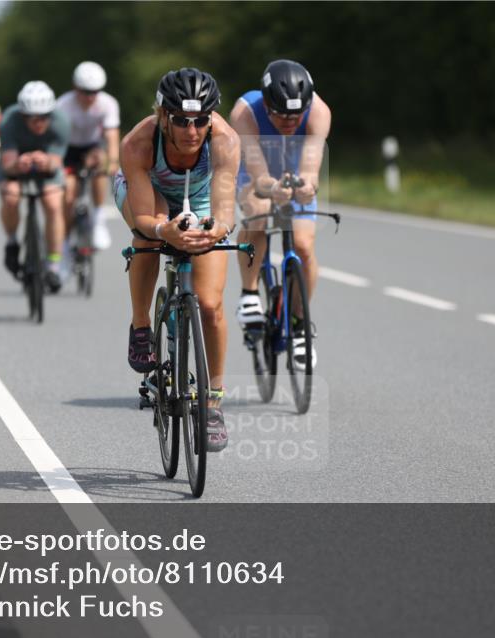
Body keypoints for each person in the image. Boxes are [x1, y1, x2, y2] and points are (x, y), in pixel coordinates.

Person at [113, 68, 241, 450]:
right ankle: (141, 325)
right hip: (146, 192)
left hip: (199, 197)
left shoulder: (225, 140)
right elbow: (144, 218)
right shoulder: (138, 142)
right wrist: (161, 229)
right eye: (182, 120)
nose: (192, 130)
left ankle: (212, 402)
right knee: (147, 238)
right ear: (163, 116)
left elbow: (225, 209)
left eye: (201, 120)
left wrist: (216, 230)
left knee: (211, 305)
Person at [230, 59, 331, 371]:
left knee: (303, 246)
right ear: (267, 105)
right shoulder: (245, 113)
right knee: (259, 215)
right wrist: (271, 188)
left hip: (295, 170)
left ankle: (299, 324)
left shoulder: (319, 111)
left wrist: (308, 187)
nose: (291, 122)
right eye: (282, 116)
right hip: (256, 171)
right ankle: (249, 294)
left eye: (296, 116)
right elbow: (257, 171)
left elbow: (311, 167)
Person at [0, 81, 71, 292]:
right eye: (32, 118)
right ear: (23, 115)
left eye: (44, 117)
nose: (39, 122)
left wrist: (46, 161)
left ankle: (54, 265)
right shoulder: (8, 121)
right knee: (11, 196)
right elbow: (8, 164)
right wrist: (18, 164)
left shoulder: (61, 121)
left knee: (53, 203)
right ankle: (12, 242)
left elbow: (56, 162)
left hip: (46, 168)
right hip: (15, 165)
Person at [55, 62, 119, 254]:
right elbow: (56, 140)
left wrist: (112, 162)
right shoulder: (62, 105)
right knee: (68, 195)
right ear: (76, 88)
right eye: (85, 92)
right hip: (68, 149)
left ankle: (99, 219)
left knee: (101, 164)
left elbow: (111, 135)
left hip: (92, 147)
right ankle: (65, 243)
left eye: (95, 92)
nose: (90, 97)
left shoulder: (108, 103)